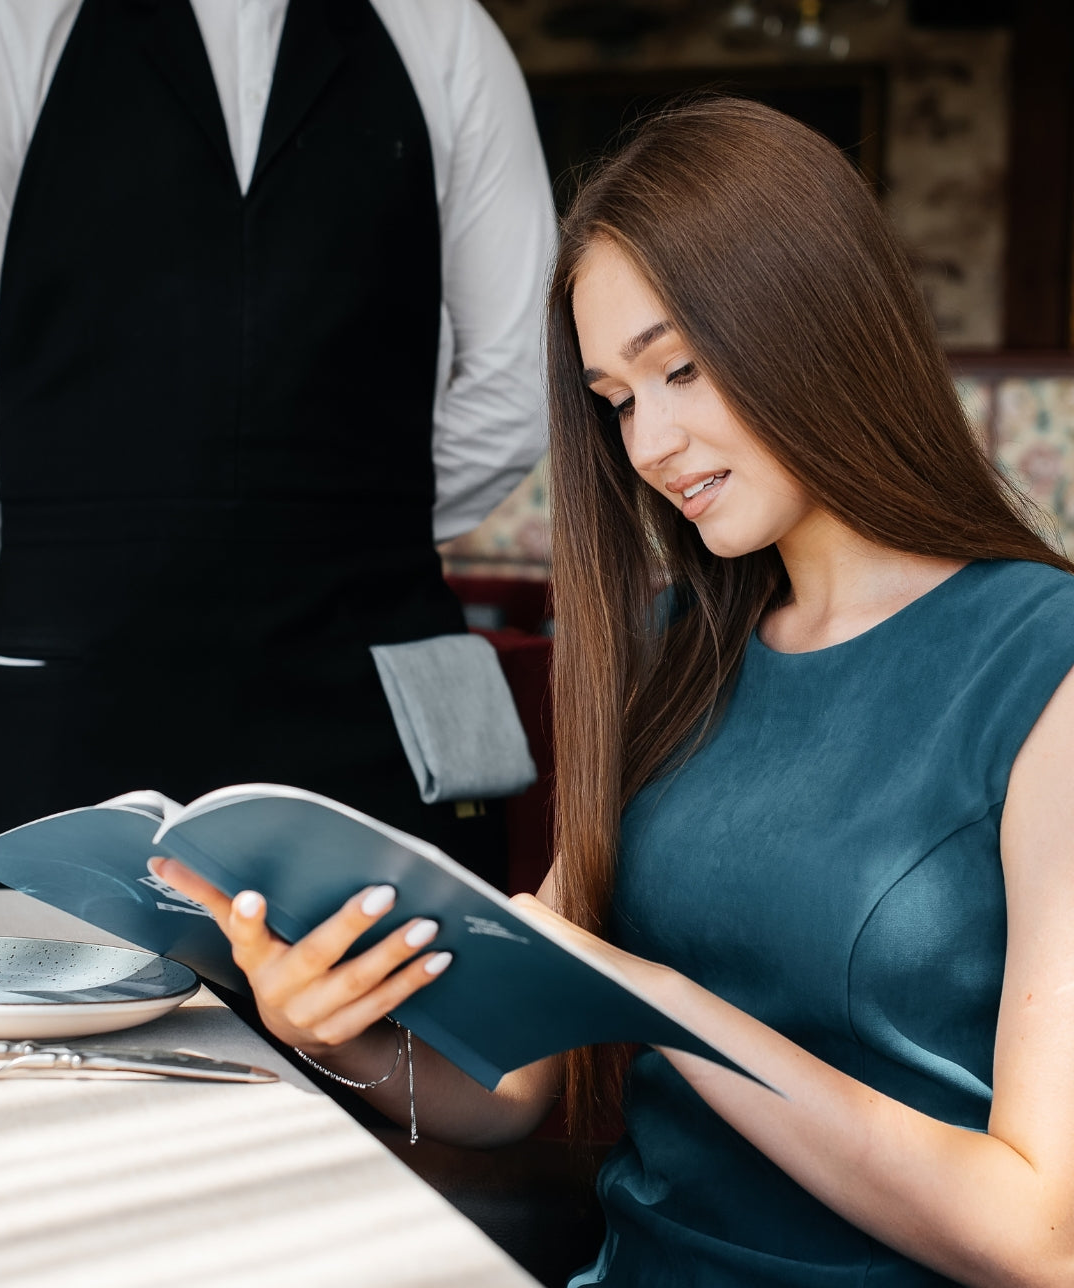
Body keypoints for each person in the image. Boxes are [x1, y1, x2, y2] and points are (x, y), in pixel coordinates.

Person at [152, 96, 1074, 1287]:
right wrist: (332, 1030)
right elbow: (511, 1088)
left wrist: (660, 1004)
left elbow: (1036, 1233)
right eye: (617, 399)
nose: (646, 446)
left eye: (677, 368)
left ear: (817, 319)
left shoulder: (1040, 660)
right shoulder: (670, 649)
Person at [0, 0, 555, 879]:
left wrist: (335, 517)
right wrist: (86, 537)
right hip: (78, 694)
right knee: (60, 1026)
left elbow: (521, 383)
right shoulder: (5, 15)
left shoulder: (445, 32)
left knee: (389, 1028)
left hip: (374, 705)